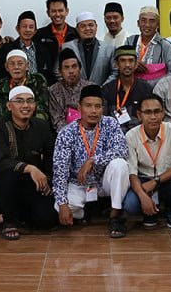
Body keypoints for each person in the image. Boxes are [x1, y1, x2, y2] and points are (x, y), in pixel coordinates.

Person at [53, 84, 130, 238]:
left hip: (105, 181)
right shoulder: (67, 133)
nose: (93, 111)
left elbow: (122, 150)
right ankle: (90, 210)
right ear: (79, 107)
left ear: (103, 108)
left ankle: (115, 215)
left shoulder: (110, 124)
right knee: (60, 207)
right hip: (80, 184)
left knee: (120, 165)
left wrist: (92, 161)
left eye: (98, 106)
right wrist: (62, 204)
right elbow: (60, 170)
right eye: (88, 106)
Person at [0, 86, 58, 240]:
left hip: (34, 183)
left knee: (47, 220)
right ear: (9, 106)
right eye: (19, 101)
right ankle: (9, 221)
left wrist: (48, 180)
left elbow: (51, 157)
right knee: (8, 176)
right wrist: (29, 168)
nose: (25, 106)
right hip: (5, 184)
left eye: (30, 101)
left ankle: (23, 216)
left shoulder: (42, 126)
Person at [123, 95, 171, 234]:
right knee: (130, 205)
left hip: (167, 179)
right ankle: (149, 214)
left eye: (157, 111)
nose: (153, 116)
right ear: (139, 115)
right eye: (148, 112)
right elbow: (131, 171)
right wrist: (143, 196)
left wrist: (156, 181)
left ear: (163, 113)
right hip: (143, 181)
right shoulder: (131, 136)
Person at [0, 49, 49, 125]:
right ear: (6, 67)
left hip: (32, 127)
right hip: (6, 129)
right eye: (12, 64)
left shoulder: (38, 81)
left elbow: (42, 112)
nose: (16, 67)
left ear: (27, 66)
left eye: (20, 63)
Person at [102, 45, 153, 132]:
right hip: (113, 136)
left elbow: (149, 117)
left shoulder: (145, 88)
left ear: (136, 64)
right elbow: (103, 119)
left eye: (131, 61)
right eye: (123, 61)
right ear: (116, 64)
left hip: (138, 136)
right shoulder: (107, 89)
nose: (127, 65)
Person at [0, 10, 54, 85]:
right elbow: (0, 76)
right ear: (17, 29)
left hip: (39, 91)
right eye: (24, 26)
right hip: (14, 91)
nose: (27, 30)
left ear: (35, 30)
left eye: (31, 27)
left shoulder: (43, 49)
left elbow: (49, 75)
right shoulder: (6, 50)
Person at [60, 12, 116, 85]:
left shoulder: (109, 49)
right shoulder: (66, 47)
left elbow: (115, 73)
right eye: (83, 26)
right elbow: (57, 71)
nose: (87, 28)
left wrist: (104, 89)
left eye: (91, 25)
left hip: (101, 93)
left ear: (96, 27)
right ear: (77, 29)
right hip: (73, 94)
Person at [124, 6, 171, 84]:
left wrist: (151, 84)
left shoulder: (165, 46)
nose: (147, 25)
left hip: (156, 91)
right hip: (132, 89)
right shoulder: (130, 42)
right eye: (143, 20)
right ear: (138, 23)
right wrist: (133, 63)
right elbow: (121, 65)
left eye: (152, 21)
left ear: (158, 24)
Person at [48, 48, 94, 133]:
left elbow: (95, 114)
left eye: (74, 66)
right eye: (66, 67)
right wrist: (74, 135)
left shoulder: (90, 87)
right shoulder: (53, 90)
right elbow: (57, 120)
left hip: (90, 132)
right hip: (65, 136)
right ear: (60, 71)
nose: (71, 71)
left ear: (80, 69)